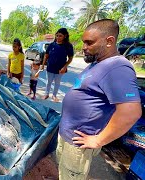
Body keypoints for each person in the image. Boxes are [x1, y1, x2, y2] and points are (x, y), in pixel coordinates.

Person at [56, 19, 142, 180]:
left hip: (79, 143)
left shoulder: (118, 68)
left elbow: (131, 113)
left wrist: (98, 141)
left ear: (109, 41)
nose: (84, 47)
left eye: (89, 43)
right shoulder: (98, 62)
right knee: (64, 171)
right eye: (83, 42)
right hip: (68, 135)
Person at [41, 28, 74, 102]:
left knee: (57, 83)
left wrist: (65, 67)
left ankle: (54, 95)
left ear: (65, 36)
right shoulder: (52, 45)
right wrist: (43, 65)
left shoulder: (68, 46)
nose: (58, 38)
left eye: (60, 36)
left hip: (60, 69)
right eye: (57, 36)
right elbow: (46, 56)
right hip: (50, 67)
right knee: (48, 82)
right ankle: (46, 94)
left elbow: (70, 58)